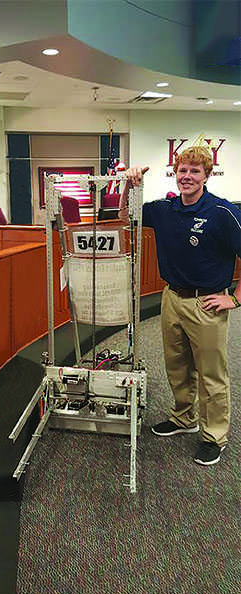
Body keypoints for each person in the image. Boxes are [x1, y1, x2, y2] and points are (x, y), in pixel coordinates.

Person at [119, 145, 241, 466]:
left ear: (207, 175)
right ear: (175, 172)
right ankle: (184, 418)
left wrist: (235, 298)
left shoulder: (222, 213)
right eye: (182, 170)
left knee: (211, 374)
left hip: (207, 303)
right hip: (171, 297)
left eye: (194, 171)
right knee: (176, 364)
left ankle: (214, 435)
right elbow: (124, 216)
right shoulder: (165, 209)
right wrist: (128, 186)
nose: (187, 177)